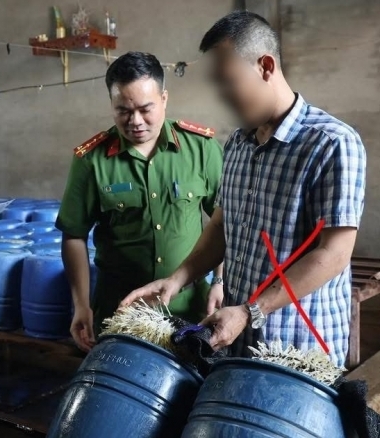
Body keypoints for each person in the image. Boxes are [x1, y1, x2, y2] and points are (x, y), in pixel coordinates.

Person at [121, 11, 365, 367]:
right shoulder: (238, 143)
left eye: (228, 82)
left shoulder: (331, 143)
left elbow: (335, 253)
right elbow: (222, 226)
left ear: (265, 66)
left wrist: (252, 311)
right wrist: (176, 280)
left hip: (298, 350)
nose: (222, 96)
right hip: (237, 342)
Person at [55, 51, 225, 352]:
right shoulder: (92, 160)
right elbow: (74, 235)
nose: (135, 121)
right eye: (123, 110)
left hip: (189, 307)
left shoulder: (202, 149)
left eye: (145, 109)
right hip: (121, 310)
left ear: (164, 99)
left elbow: (225, 221)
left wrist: (220, 282)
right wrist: (81, 304)